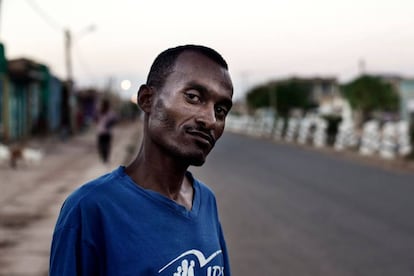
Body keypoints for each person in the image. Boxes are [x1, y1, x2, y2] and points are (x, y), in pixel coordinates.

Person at [49, 44, 234, 275]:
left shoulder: (206, 200)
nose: (210, 120)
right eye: (193, 97)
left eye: (221, 111)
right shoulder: (91, 209)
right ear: (147, 99)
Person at [95, 98, 117, 163]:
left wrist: (109, 124)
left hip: (105, 132)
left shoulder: (109, 113)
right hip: (102, 132)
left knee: (105, 146)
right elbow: (96, 119)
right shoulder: (100, 112)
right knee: (102, 146)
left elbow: (115, 120)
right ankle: (104, 157)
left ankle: (105, 158)